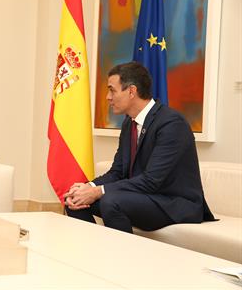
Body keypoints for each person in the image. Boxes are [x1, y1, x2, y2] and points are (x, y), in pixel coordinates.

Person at [65, 62, 215, 233]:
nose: (107, 97)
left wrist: (99, 191)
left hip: (175, 203)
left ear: (131, 91)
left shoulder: (171, 123)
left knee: (111, 201)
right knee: (74, 199)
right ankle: (93, 253)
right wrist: (88, 187)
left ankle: (124, 259)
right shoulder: (130, 123)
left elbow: (151, 180)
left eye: (112, 90)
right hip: (146, 197)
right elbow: (117, 172)